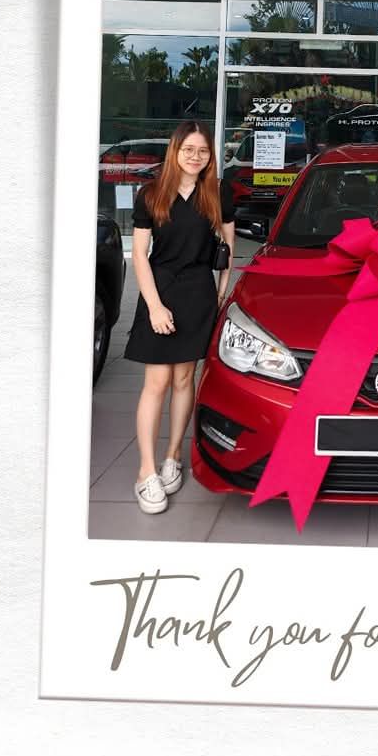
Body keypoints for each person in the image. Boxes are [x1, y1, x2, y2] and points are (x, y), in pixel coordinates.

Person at [124, 121, 235, 514]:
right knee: (156, 382)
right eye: (188, 149)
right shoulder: (152, 193)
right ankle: (146, 471)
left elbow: (227, 247)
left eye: (202, 151)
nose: (195, 157)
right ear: (175, 151)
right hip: (160, 288)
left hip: (198, 291)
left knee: (185, 378)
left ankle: (172, 456)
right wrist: (154, 306)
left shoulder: (218, 192)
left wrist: (219, 294)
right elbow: (140, 256)